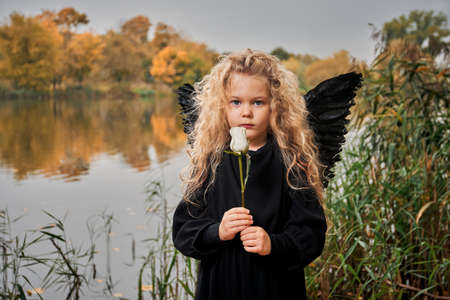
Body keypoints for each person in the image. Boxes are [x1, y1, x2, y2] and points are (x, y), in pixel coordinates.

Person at [172, 48, 328, 300]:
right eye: (236, 102)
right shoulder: (210, 161)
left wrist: (274, 244)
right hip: (221, 286)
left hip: (275, 287)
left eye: (258, 102)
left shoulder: (292, 162)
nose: (246, 112)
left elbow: (312, 234)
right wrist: (217, 231)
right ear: (222, 107)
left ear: (275, 107)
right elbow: (183, 231)